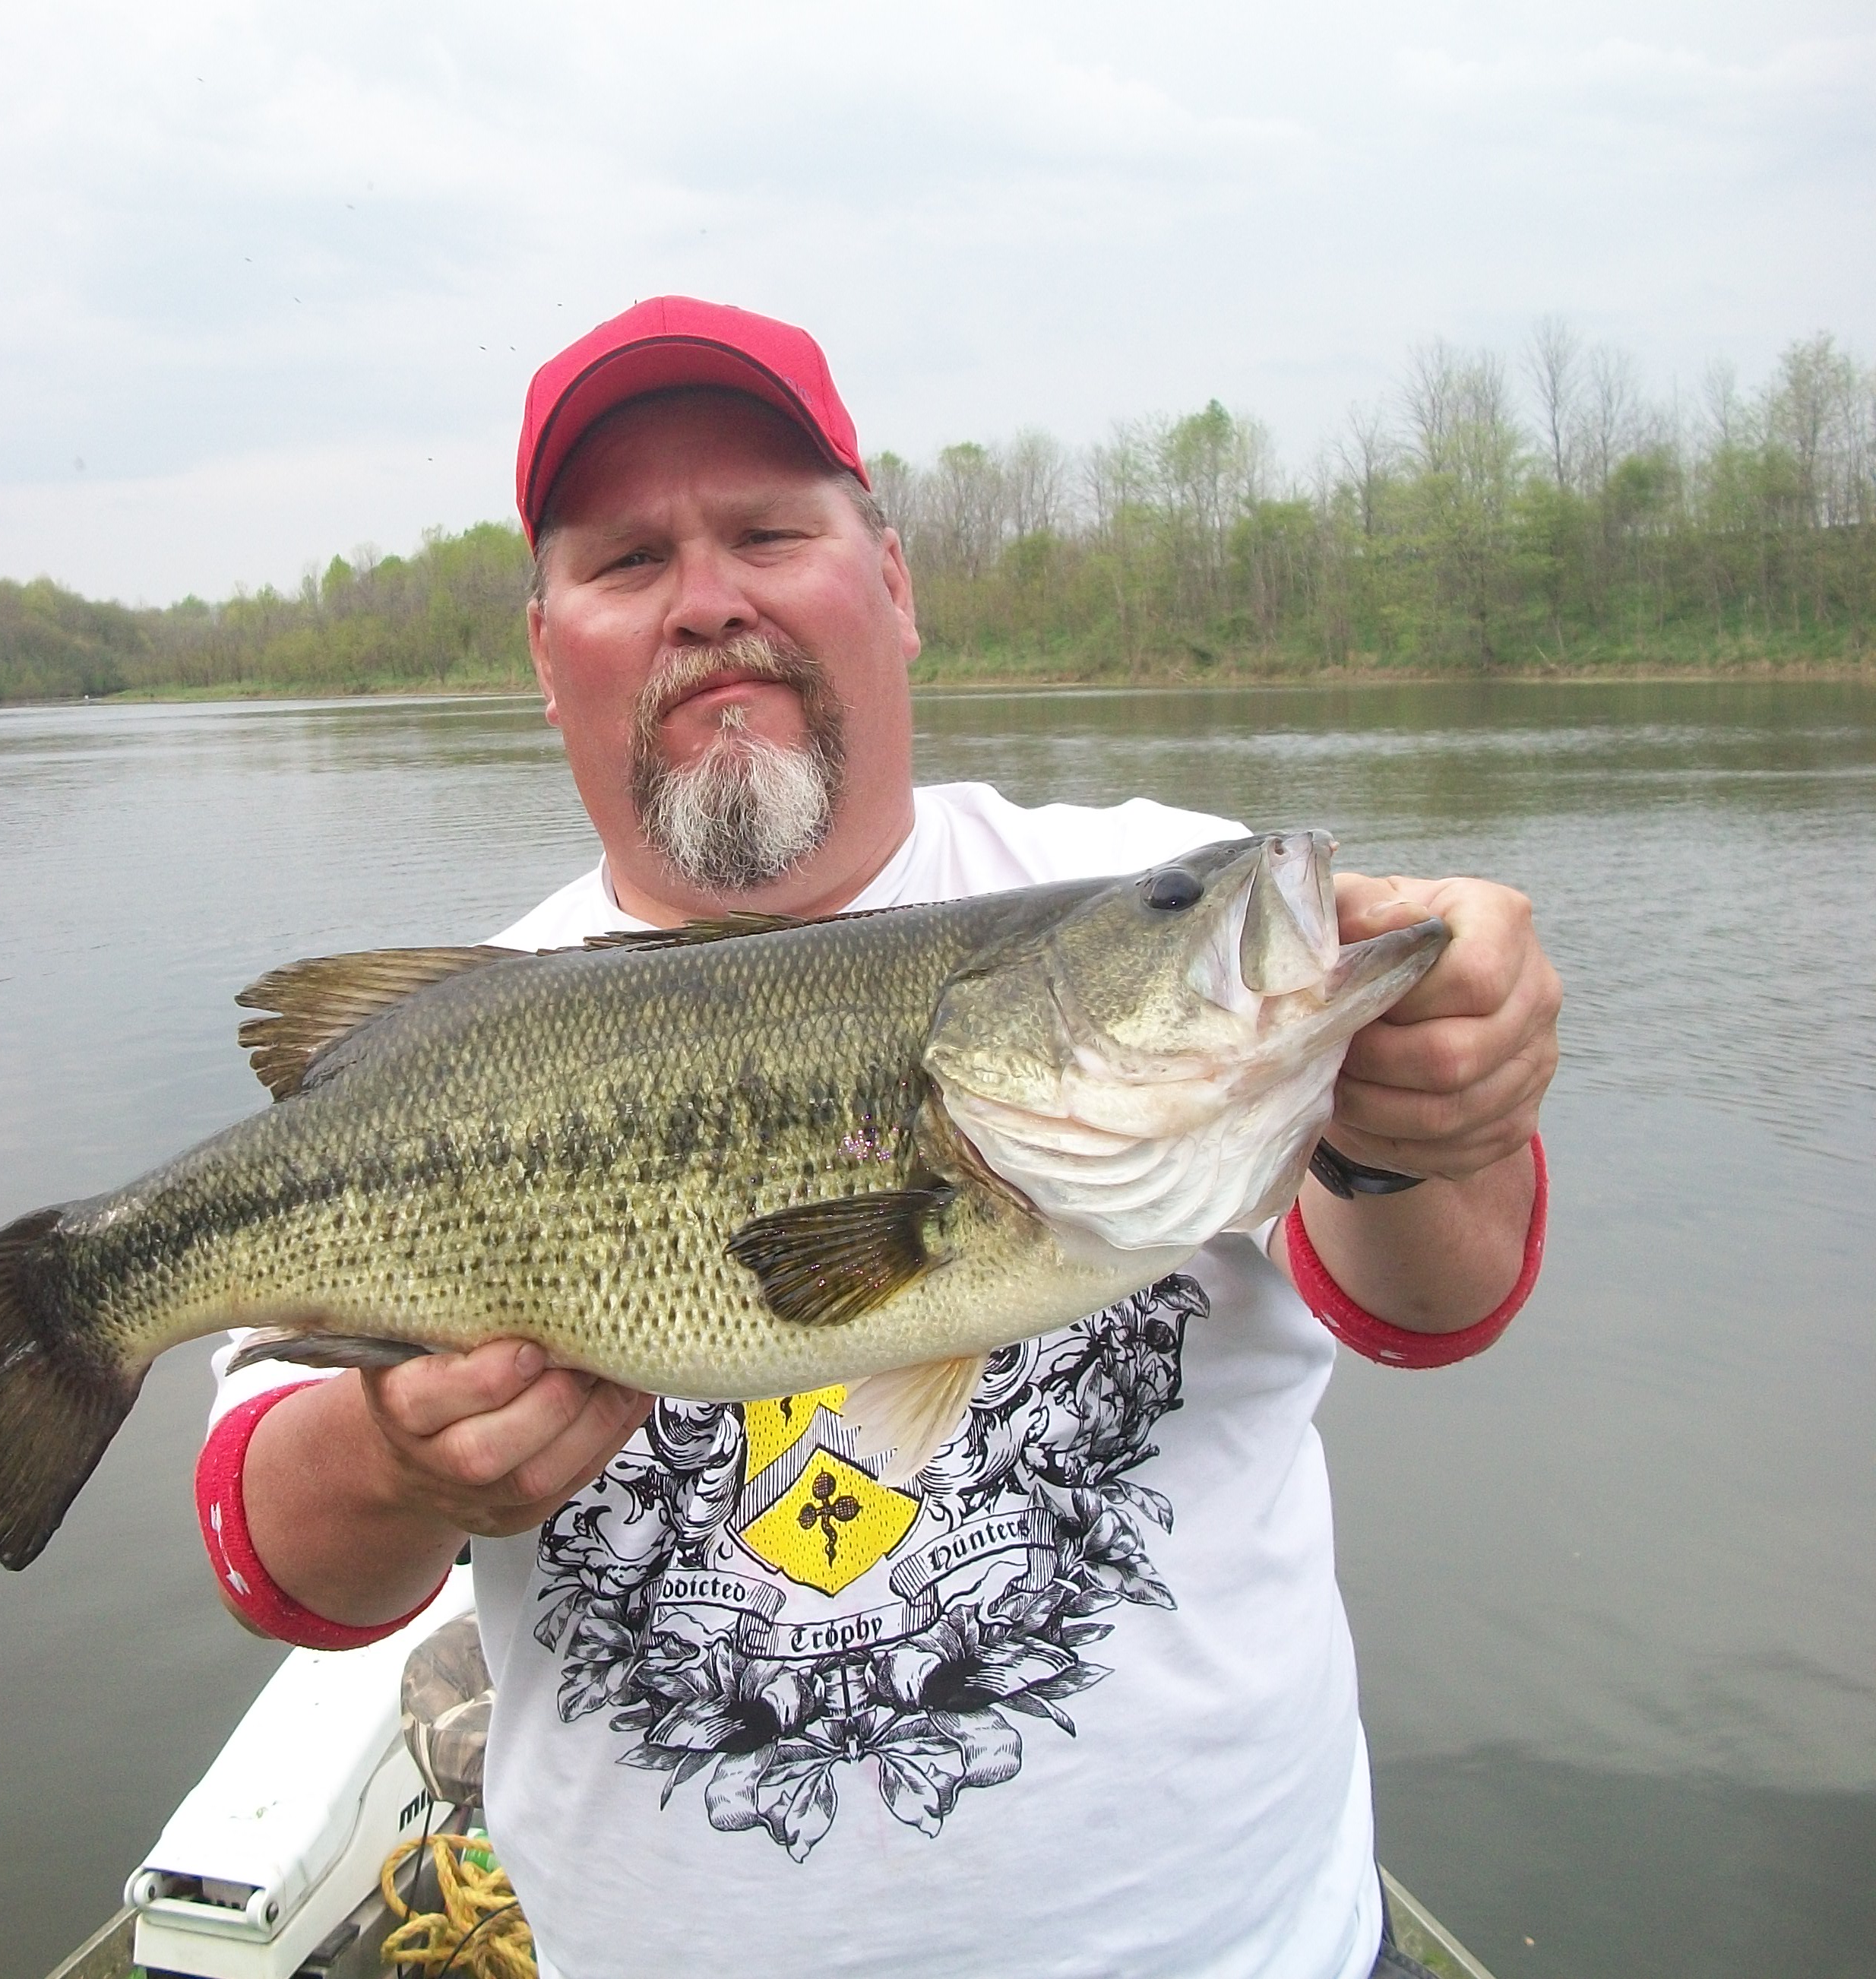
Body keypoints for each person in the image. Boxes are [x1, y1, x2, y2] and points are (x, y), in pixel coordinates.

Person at [195, 298, 1560, 1978]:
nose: (709, 599)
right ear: (546, 653)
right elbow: (282, 1563)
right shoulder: (462, 1049)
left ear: (894, 583)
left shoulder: (1150, 885)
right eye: (628, 560)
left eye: (768, 532)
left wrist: (1426, 1115)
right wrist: (395, 1465)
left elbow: (1437, 1299)